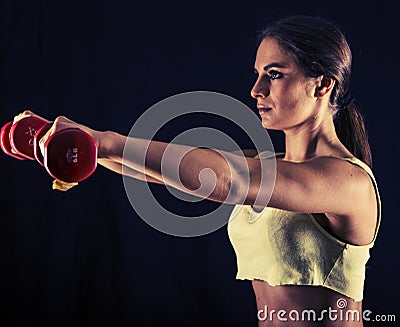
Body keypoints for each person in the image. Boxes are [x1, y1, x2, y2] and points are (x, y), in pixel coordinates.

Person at [16, 15, 380, 326]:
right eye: (257, 74)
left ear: (322, 83)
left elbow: (226, 178)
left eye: (274, 74)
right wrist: (79, 142)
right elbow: (162, 173)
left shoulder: (349, 182)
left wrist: (107, 140)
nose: (256, 89)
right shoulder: (269, 165)